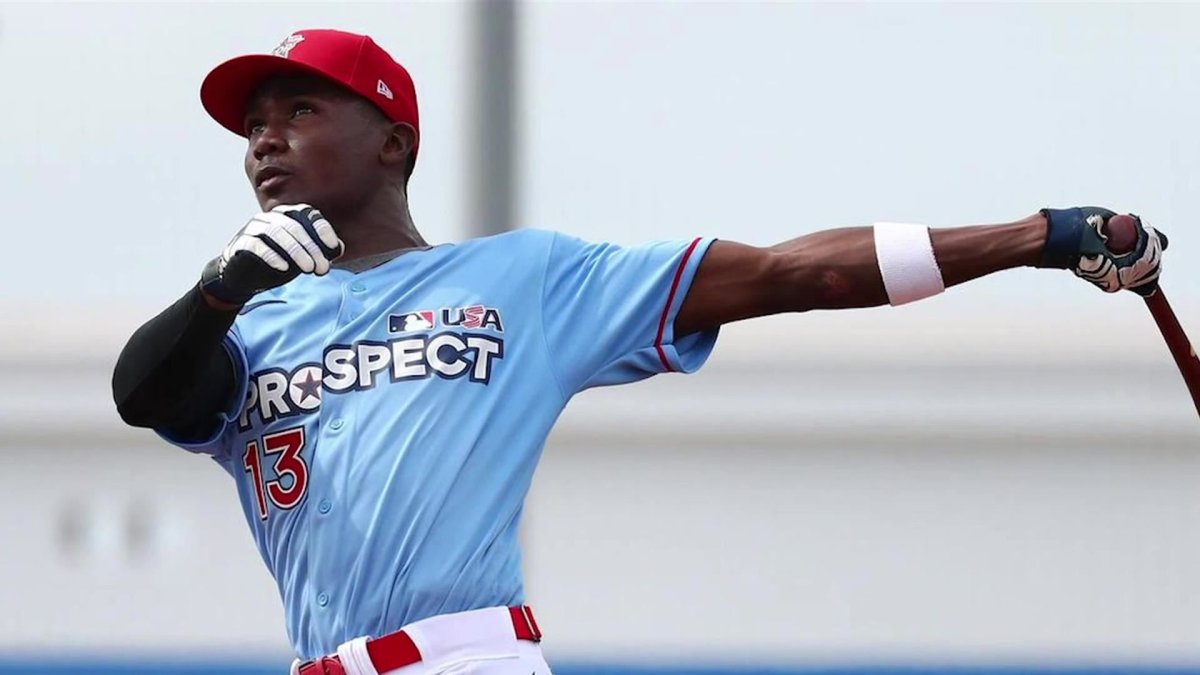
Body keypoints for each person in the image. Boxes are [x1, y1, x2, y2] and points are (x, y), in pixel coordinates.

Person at [111, 28, 1166, 675]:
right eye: (253, 124)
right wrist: (226, 284)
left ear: (392, 139)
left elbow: (795, 274)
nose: (265, 138)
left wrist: (1043, 236)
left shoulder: (523, 279)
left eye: (301, 109)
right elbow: (144, 396)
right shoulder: (243, 328)